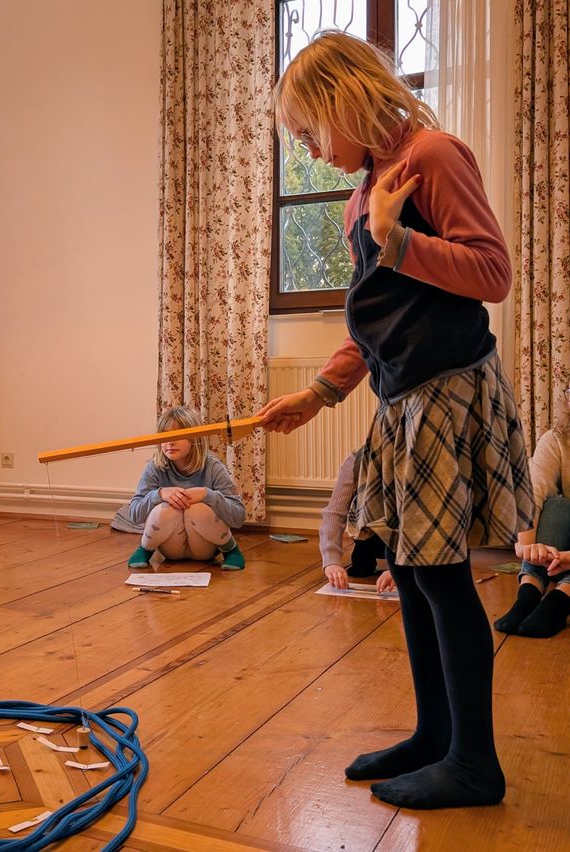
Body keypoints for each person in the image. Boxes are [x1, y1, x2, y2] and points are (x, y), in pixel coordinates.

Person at [259, 32, 533, 810]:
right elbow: (378, 314)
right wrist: (320, 393)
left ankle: (474, 764)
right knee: (408, 571)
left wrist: (397, 238)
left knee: (440, 575)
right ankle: (435, 736)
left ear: (344, 100)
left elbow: (493, 273)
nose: (310, 150)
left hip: (446, 390)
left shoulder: (433, 157)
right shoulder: (364, 192)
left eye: (310, 130)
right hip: (401, 397)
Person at [125, 406, 246, 570]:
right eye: (165, 436)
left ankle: (231, 550)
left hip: (205, 546)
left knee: (196, 509)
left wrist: (207, 495)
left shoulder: (212, 466)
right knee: (167, 510)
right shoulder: (155, 466)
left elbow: (239, 517)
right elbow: (134, 515)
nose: (170, 442)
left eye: (178, 435)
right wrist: (159, 494)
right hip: (171, 548)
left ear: (194, 438)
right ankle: (145, 549)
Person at [495, 384, 570, 638]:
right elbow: (532, 494)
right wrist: (527, 548)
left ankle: (561, 599)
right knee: (557, 507)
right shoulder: (556, 439)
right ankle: (529, 592)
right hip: (557, 553)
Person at [321, 449, 395, 594]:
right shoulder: (356, 461)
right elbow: (334, 513)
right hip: (369, 536)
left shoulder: (414, 459)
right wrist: (331, 561)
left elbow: (419, 520)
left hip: (405, 538)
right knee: (360, 568)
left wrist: (400, 568)